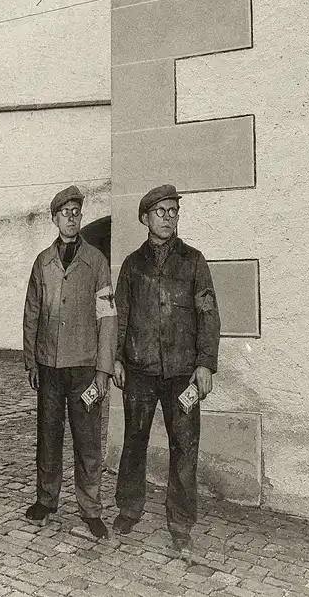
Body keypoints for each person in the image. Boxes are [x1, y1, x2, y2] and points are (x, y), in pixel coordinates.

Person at [112, 184, 221, 553]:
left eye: (174, 211)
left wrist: (205, 364)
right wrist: (115, 358)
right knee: (134, 441)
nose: (168, 218)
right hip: (139, 370)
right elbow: (120, 315)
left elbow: (208, 315)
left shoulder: (193, 261)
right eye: (161, 212)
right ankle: (129, 508)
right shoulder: (131, 264)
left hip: (181, 373)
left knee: (185, 446)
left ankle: (181, 521)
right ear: (145, 218)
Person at [23, 185, 117, 539]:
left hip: (84, 367)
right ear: (54, 219)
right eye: (65, 213)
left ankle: (91, 509)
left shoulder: (96, 262)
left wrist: (104, 368)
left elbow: (108, 316)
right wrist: (31, 361)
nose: (72, 218)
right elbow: (32, 312)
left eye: (77, 212)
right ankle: (46, 501)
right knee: (48, 437)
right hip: (49, 366)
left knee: (87, 440)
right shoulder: (42, 263)